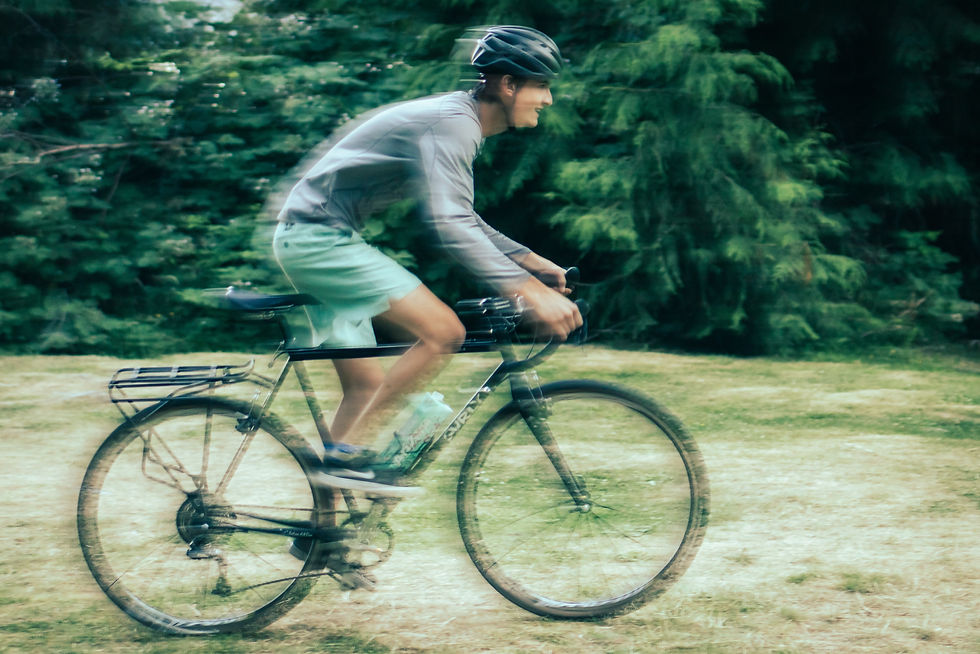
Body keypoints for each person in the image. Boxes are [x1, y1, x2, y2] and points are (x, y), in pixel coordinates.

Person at [273, 25, 582, 497]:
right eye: (541, 85)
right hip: (318, 240)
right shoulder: (454, 124)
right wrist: (528, 291)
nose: (547, 99)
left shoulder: (456, 123)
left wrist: (530, 260)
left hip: (312, 238)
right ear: (507, 84)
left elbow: (463, 217)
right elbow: (450, 223)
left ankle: (324, 542)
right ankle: (343, 457)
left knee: (364, 388)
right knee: (444, 331)